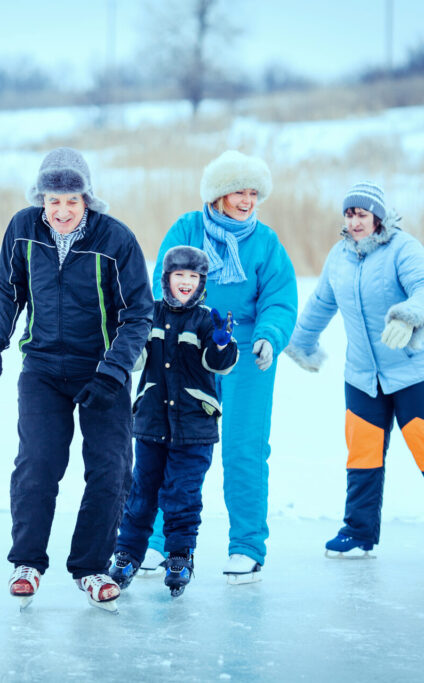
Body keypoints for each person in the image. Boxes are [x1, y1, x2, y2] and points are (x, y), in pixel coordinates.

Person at [0, 147, 153, 611]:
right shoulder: (23, 229)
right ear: (41, 200)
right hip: (43, 371)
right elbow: (5, 288)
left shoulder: (116, 240)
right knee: (37, 464)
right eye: (53, 200)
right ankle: (27, 563)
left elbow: (139, 314)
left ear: (87, 200)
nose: (62, 210)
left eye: (72, 199)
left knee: (111, 470)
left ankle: (92, 568)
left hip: (102, 374)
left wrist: (113, 371)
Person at [283, 181, 424, 558]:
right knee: (363, 452)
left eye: (361, 214)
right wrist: (301, 344)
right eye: (349, 214)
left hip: (416, 371)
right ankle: (359, 532)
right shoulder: (339, 256)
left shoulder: (404, 249)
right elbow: (321, 302)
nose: (354, 221)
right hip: (363, 375)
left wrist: (408, 317)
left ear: (378, 216)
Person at [148, 150, 298, 584]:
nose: (248, 200)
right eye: (239, 192)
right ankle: (157, 542)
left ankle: (247, 546)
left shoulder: (265, 242)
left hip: (249, 353)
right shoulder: (187, 230)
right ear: (218, 195)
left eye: (254, 193)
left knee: (244, 448)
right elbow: (163, 279)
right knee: (170, 443)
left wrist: (270, 334)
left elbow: (280, 297)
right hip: (188, 346)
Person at [108, 246, 239, 597]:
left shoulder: (207, 319)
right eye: (179, 275)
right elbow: (135, 361)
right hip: (151, 422)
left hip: (195, 428)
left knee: (182, 494)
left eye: (193, 277)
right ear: (166, 279)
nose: (186, 282)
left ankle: (180, 555)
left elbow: (219, 364)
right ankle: (126, 555)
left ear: (201, 282)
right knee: (142, 493)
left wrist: (223, 343)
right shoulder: (148, 314)